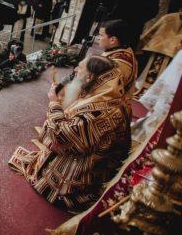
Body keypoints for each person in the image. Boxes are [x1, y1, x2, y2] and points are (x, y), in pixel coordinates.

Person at [9, 56, 131, 211]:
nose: (75, 70)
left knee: (48, 181)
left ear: (90, 77)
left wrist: (54, 102)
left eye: (80, 68)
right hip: (96, 156)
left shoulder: (100, 111)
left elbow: (60, 136)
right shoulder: (107, 94)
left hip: (85, 174)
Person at [136, 0, 182, 94]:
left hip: (180, 58)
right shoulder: (168, 18)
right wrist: (140, 47)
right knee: (148, 79)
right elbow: (150, 33)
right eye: (181, 10)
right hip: (158, 52)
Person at [97, 19, 138, 102]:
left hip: (112, 106)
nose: (98, 38)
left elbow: (108, 92)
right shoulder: (121, 50)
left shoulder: (119, 62)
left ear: (112, 40)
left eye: (101, 35)